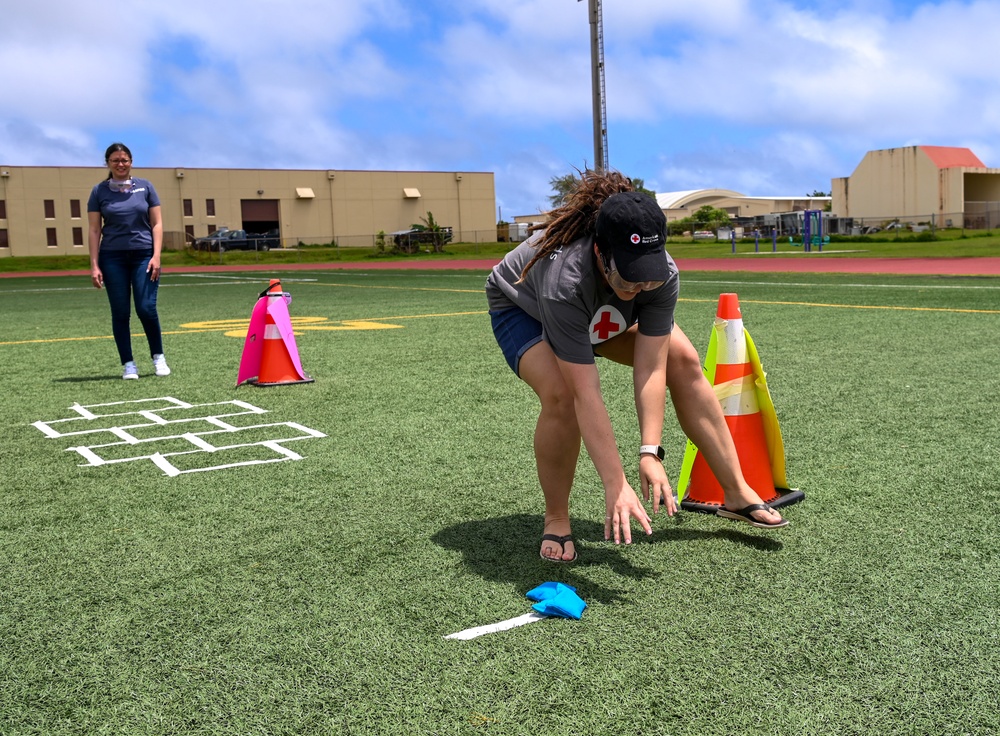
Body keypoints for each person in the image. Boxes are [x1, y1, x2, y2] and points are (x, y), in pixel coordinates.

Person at [485, 171, 787, 563]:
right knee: (560, 394)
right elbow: (585, 392)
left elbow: (652, 367)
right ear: (599, 252)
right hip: (525, 308)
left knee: (683, 358)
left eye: (648, 279)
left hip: (593, 308)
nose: (639, 288)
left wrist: (650, 452)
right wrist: (616, 483)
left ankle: (736, 490)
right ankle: (557, 517)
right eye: (629, 278)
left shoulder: (661, 275)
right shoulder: (566, 280)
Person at [87, 143, 170, 380]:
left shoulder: (145, 187)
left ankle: (158, 357)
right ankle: (129, 364)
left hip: (144, 255)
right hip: (112, 257)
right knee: (121, 312)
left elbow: (157, 224)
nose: (120, 164)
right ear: (108, 163)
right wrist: (94, 265)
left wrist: (156, 256)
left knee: (146, 308)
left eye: (124, 160)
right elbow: (94, 230)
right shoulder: (98, 192)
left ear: (131, 161)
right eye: (115, 160)